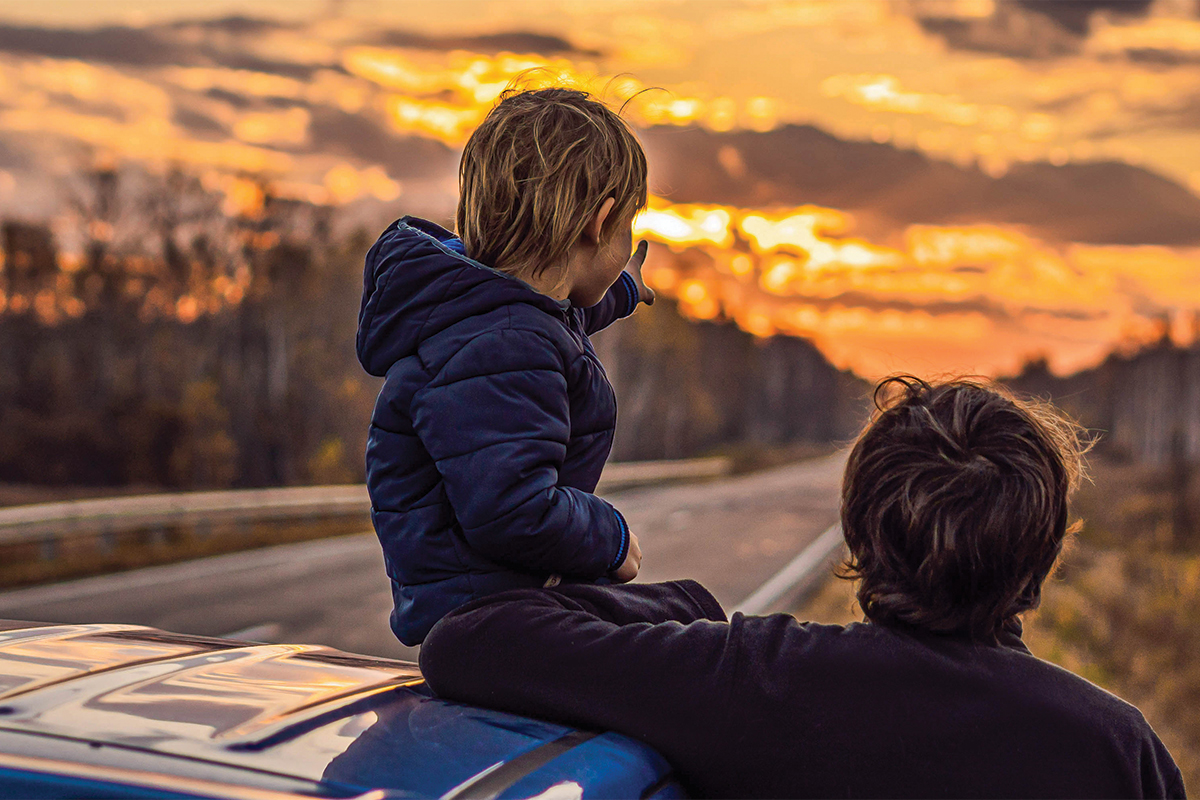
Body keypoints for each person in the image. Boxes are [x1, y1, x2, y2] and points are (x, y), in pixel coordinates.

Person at [420, 377, 1186, 798]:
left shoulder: (758, 678)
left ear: (858, 531)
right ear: (1043, 554)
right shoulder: (1114, 750)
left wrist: (687, 608)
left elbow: (469, 639)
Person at [356, 87, 653, 646]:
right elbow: (513, 510)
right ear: (601, 220)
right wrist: (609, 536)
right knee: (690, 638)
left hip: (500, 601)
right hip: (487, 624)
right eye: (627, 226)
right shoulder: (507, 344)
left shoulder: (500, 321)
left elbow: (568, 321)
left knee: (682, 611)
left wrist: (626, 290)